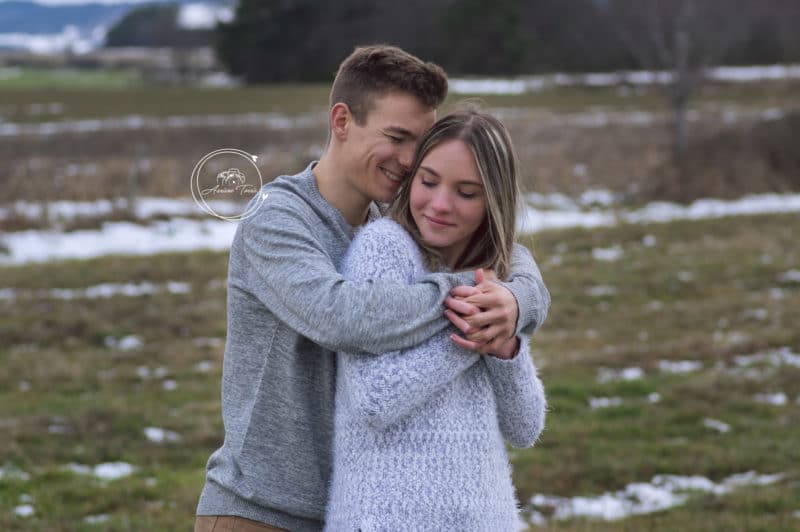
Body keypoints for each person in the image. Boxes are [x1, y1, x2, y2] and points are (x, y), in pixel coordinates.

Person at [195, 45, 550, 532]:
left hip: (350, 508)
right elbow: (340, 316)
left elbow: (513, 257)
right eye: (397, 138)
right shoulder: (276, 220)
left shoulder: (393, 222)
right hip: (262, 511)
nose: (408, 161)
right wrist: (475, 294)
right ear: (341, 121)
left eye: (418, 144)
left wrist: (516, 298)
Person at [324, 109, 546, 530]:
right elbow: (375, 398)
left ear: (493, 200)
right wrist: (468, 332)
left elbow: (525, 427)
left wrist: (505, 349)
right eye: (428, 182)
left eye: (466, 192)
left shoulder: (493, 276)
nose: (440, 205)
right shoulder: (385, 248)